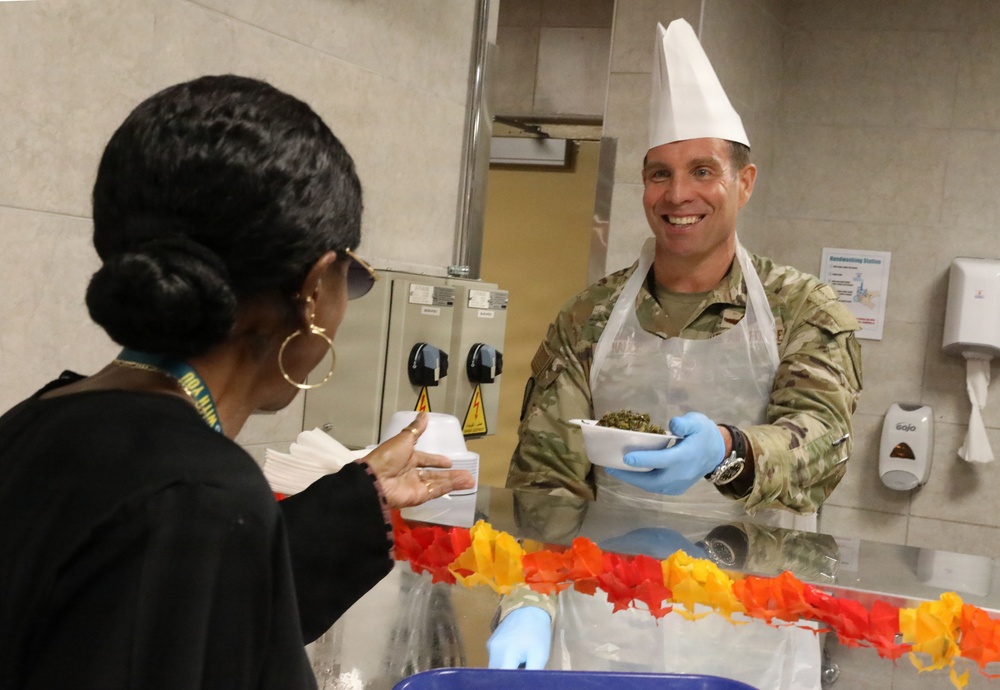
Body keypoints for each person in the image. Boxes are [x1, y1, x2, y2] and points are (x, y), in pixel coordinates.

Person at [0, 75, 473, 689]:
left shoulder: (40, 420)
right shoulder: (199, 492)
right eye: (353, 277)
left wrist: (359, 496)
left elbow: (184, 608)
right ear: (314, 289)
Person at [488, 19, 862, 689]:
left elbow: (822, 448)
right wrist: (527, 601)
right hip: (606, 622)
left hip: (751, 628)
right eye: (660, 174)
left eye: (702, 171)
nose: (678, 194)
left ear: (745, 182)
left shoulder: (803, 310)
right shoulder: (587, 318)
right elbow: (547, 485)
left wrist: (728, 450)